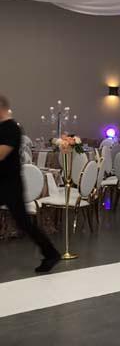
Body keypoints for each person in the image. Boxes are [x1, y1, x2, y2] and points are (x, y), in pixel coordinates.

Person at [0, 95, 61, 272]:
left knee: (24, 223)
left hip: (10, 185)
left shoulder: (11, 128)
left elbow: (1, 154)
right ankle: (51, 253)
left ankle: (51, 253)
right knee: (24, 222)